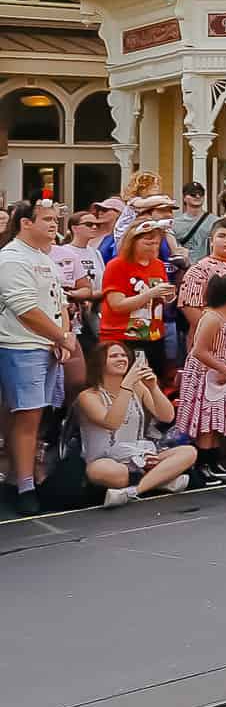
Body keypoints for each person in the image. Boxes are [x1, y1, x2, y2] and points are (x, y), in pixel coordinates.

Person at [0, 200, 79, 515]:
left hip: (46, 346)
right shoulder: (11, 258)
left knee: (36, 416)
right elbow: (25, 309)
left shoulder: (43, 258)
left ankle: (22, 477)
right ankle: (24, 487)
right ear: (25, 223)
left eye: (55, 219)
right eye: (46, 219)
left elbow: (58, 301)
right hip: (21, 347)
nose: (53, 225)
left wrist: (63, 335)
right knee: (26, 417)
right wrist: (60, 336)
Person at [76, 343, 194, 508]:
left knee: (188, 452)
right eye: (114, 356)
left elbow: (167, 416)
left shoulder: (138, 388)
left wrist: (152, 387)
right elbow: (112, 423)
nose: (121, 359)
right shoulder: (88, 396)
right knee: (104, 471)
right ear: (99, 363)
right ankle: (160, 481)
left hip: (140, 454)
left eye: (124, 355)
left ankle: (134, 490)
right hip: (107, 460)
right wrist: (126, 386)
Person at [175, 272, 226, 483]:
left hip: (220, 374)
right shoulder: (211, 318)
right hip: (206, 374)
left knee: (217, 419)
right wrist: (222, 367)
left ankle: (213, 459)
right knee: (206, 420)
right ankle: (203, 463)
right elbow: (199, 351)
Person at [99, 218, 177, 368]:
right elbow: (117, 305)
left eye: (156, 243)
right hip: (123, 336)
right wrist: (150, 294)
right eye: (148, 243)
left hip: (153, 334)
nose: (153, 247)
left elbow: (161, 300)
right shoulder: (117, 265)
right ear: (133, 242)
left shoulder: (158, 265)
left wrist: (168, 296)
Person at [177, 217, 226, 332]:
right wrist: (217, 332)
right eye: (222, 236)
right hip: (212, 341)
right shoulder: (198, 270)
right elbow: (189, 308)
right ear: (211, 241)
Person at [52, 207, 107, 341]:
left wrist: (94, 295)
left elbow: (104, 281)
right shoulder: (63, 252)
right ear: (74, 228)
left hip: (94, 309)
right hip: (73, 309)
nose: (94, 227)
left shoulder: (96, 252)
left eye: (97, 224)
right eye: (89, 224)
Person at [171, 182, 217, 261]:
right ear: (184, 198)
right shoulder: (174, 223)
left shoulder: (215, 221)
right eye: (193, 194)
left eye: (201, 194)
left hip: (207, 267)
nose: (197, 196)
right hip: (184, 268)